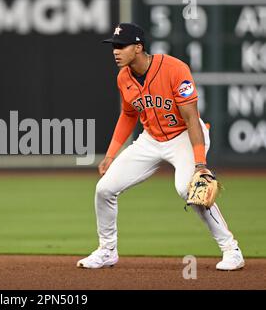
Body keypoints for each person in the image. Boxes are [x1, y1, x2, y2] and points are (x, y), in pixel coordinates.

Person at [77, 23, 244, 271]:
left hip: (185, 136)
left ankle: (232, 250)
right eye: (114, 46)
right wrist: (111, 154)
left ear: (138, 47)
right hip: (151, 139)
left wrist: (200, 164)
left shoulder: (174, 69)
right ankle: (107, 251)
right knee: (104, 190)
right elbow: (128, 115)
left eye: (121, 46)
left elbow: (191, 119)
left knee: (189, 189)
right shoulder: (124, 77)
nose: (116, 51)